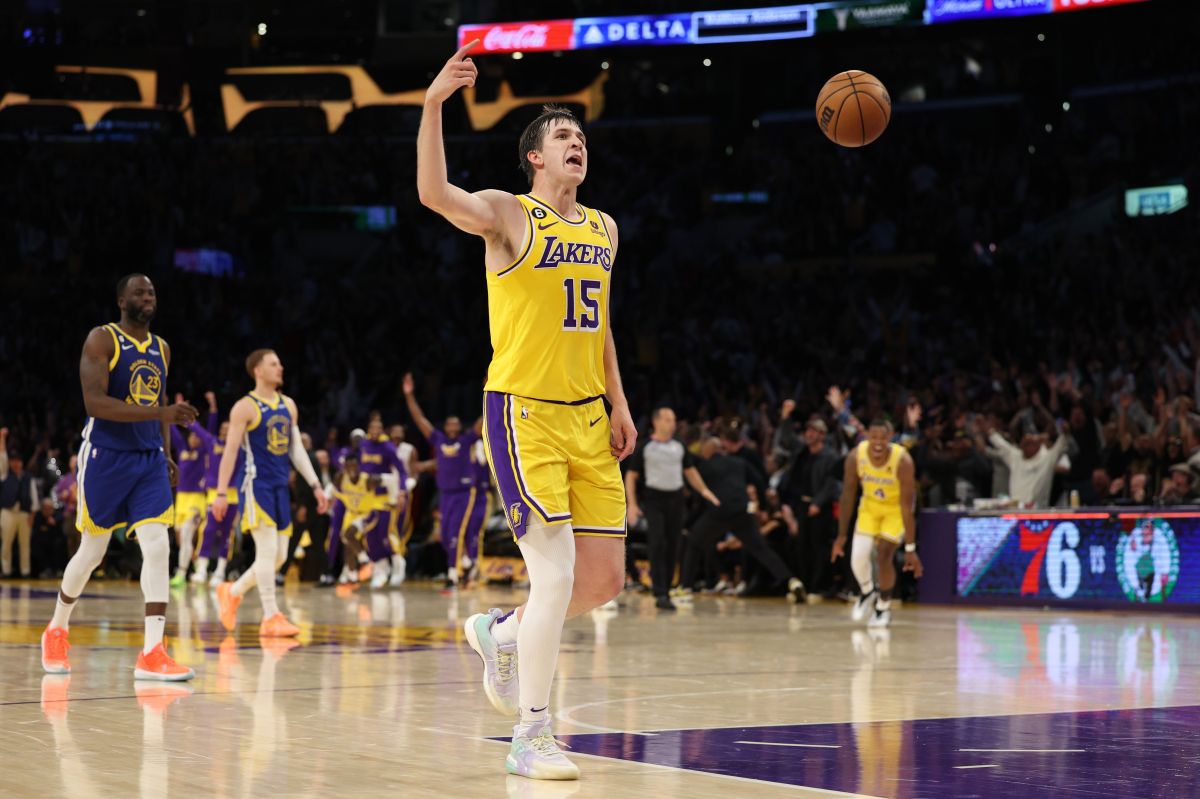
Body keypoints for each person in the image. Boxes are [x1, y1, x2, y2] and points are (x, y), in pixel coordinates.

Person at [419, 43, 637, 780]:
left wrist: (619, 398)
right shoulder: (510, 216)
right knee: (555, 573)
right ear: (535, 159)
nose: (577, 143)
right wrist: (431, 105)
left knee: (604, 580)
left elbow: (600, 321)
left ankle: (499, 630)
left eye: (582, 137)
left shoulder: (604, 230)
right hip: (523, 412)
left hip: (587, 415)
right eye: (563, 138)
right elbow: (434, 193)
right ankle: (531, 734)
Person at [41, 273, 197, 680]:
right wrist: (161, 415)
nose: (148, 297)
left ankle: (152, 652)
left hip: (147, 459)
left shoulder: (162, 348)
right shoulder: (102, 339)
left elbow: (160, 400)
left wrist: (164, 450)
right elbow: (95, 403)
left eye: (152, 292)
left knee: (158, 545)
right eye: (139, 292)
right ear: (121, 300)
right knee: (92, 552)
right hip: (106, 457)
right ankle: (57, 627)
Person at [212, 349, 328, 637]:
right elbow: (230, 452)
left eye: (280, 362)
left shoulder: (288, 405)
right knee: (266, 553)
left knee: (279, 557)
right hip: (256, 484)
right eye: (274, 364)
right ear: (258, 371)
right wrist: (221, 492)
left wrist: (315, 485)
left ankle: (232, 591)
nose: (281, 367)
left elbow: (296, 449)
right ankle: (271, 615)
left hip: (280, 487)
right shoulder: (245, 407)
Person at [680, 437, 807, 602]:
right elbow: (760, 481)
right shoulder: (739, 462)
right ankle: (792, 581)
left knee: (694, 543)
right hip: (742, 511)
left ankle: (685, 588)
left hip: (718, 512)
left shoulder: (703, 467)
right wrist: (761, 506)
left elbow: (700, 500)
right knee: (761, 549)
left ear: (708, 451)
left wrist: (688, 523)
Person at [625, 407, 720, 610]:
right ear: (656, 422)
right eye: (667, 419)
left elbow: (690, 471)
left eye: (673, 420)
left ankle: (666, 589)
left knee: (674, 545)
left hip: (676, 500)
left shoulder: (679, 446)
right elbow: (631, 476)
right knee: (657, 542)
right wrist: (632, 504)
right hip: (654, 499)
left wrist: (704, 491)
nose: (672, 423)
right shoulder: (646, 446)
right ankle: (659, 591)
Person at [832, 419, 923, 629]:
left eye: (883, 437)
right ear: (867, 437)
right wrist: (841, 535)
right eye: (874, 437)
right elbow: (847, 495)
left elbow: (907, 507)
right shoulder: (856, 456)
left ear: (891, 438)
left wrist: (910, 547)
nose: (878, 442)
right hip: (870, 509)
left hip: (895, 510)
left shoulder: (903, 461)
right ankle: (867, 591)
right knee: (858, 558)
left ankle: (883, 607)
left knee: (884, 554)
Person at [403, 373, 480, 588]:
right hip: (445, 494)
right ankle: (466, 562)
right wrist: (409, 396)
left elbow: (483, 420)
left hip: (465, 493)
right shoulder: (438, 440)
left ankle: (453, 575)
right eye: (450, 424)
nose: (453, 426)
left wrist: (490, 391)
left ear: (459, 426)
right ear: (446, 427)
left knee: (457, 531)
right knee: (445, 535)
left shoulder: (466, 440)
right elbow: (420, 420)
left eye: (456, 423)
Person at [779, 417, 841, 597]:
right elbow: (787, 440)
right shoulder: (802, 452)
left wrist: (818, 502)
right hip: (801, 505)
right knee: (801, 546)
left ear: (822, 435)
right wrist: (786, 418)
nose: (808, 434)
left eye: (813, 431)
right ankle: (803, 585)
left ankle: (817, 587)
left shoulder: (830, 456)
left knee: (818, 547)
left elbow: (832, 483)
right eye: (807, 431)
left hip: (820, 507)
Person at [188, 392, 242, 585]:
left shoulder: (239, 448)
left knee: (227, 533)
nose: (227, 431)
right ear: (220, 430)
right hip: (213, 494)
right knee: (209, 530)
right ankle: (201, 569)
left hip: (233, 496)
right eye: (224, 428)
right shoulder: (212, 443)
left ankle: (220, 571)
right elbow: (198, 429)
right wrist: (187, 416)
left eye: (231, 428)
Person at [357, 418, 410, 588]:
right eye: (372, 427)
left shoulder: (388, 447)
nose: (375, 430)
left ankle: (398, 565)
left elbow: (401, 470)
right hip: (368, 498)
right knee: (370, 536)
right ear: (368, 429)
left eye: (379, 427)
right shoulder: (363, 445)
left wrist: (402, 490)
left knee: (385, 534)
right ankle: (381, 569)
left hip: (386, 496)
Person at [168, 393, 208, 587]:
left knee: (186, 535)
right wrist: (168, 413)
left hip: (196, 500)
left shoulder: (202, 453)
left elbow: (202, 433)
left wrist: (184, 413)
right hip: (181, 499)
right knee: (181, 539)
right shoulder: (183, 450)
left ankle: (183, 573)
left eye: (195, 436)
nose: (193, 439)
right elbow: (174, 434)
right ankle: (194, 570)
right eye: (191, 436)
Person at [0, 430, 38, 578]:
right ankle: (6, 570)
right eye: (13, 461)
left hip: (24, 513)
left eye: (17, 461)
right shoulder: (4, 474)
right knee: (6, 544)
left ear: (21, 462)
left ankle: (25, 571)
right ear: (10, 462)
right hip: (8, 512)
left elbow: (34, 498)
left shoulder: (28, 478)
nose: (15, 463)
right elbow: (2, 456)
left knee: (25, 544)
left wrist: (32, 515)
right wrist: (2, 438)